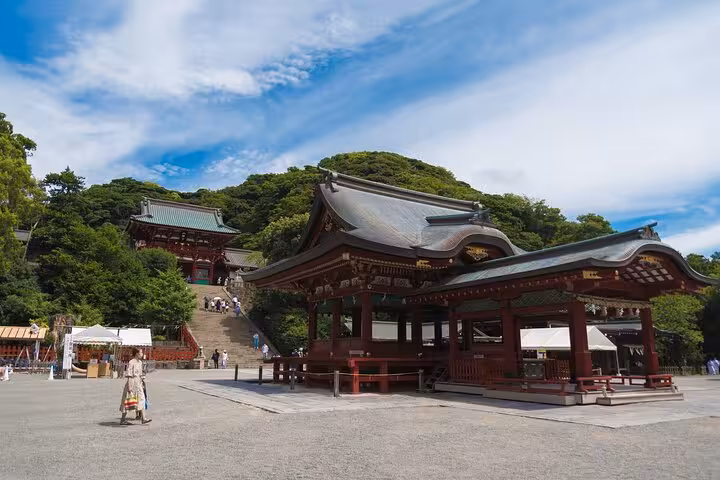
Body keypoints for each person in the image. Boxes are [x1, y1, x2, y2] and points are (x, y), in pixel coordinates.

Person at [120, 348, 151, 425]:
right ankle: (123, 419)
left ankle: (143, 418)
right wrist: (130, 387)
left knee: (142, 399)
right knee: (127, 401)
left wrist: (142, 379)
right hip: (132, 383)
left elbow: (140, 373)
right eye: (141, 352)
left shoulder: (140, 362)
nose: (142, 353)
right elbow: (130, 375)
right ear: (137, 353)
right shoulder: (131, 362)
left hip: (139, 384)